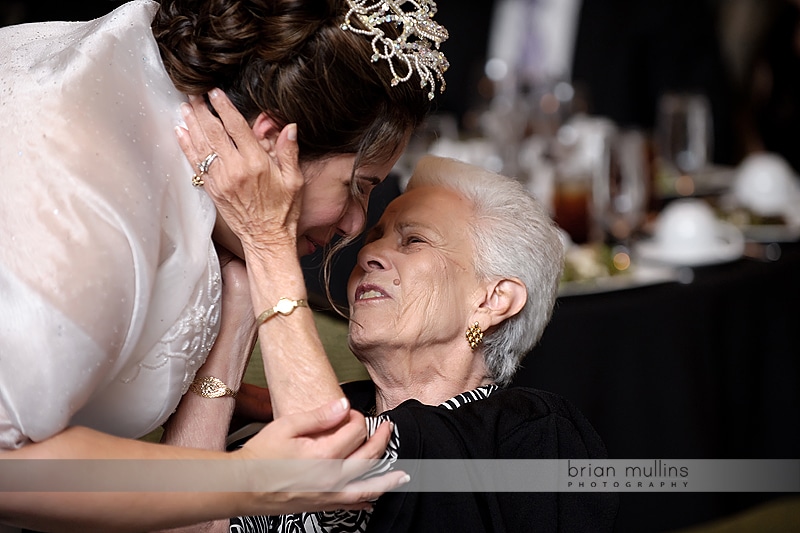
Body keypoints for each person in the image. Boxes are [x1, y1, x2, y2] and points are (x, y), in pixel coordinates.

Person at [0, 0, 450, 530]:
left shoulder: (164, 120)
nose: (356, 224)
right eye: (357, 186)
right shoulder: (90, 203)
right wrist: (249, 479)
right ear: (268, 142)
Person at [178, 97, 618, 530]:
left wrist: (268, 246)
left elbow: (336, 483)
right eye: (376, 236)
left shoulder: (533, 433)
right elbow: (180, 524)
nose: (368, 252)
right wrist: (238, 304)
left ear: (492, 300)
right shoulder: (298, 418)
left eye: (414, 241)